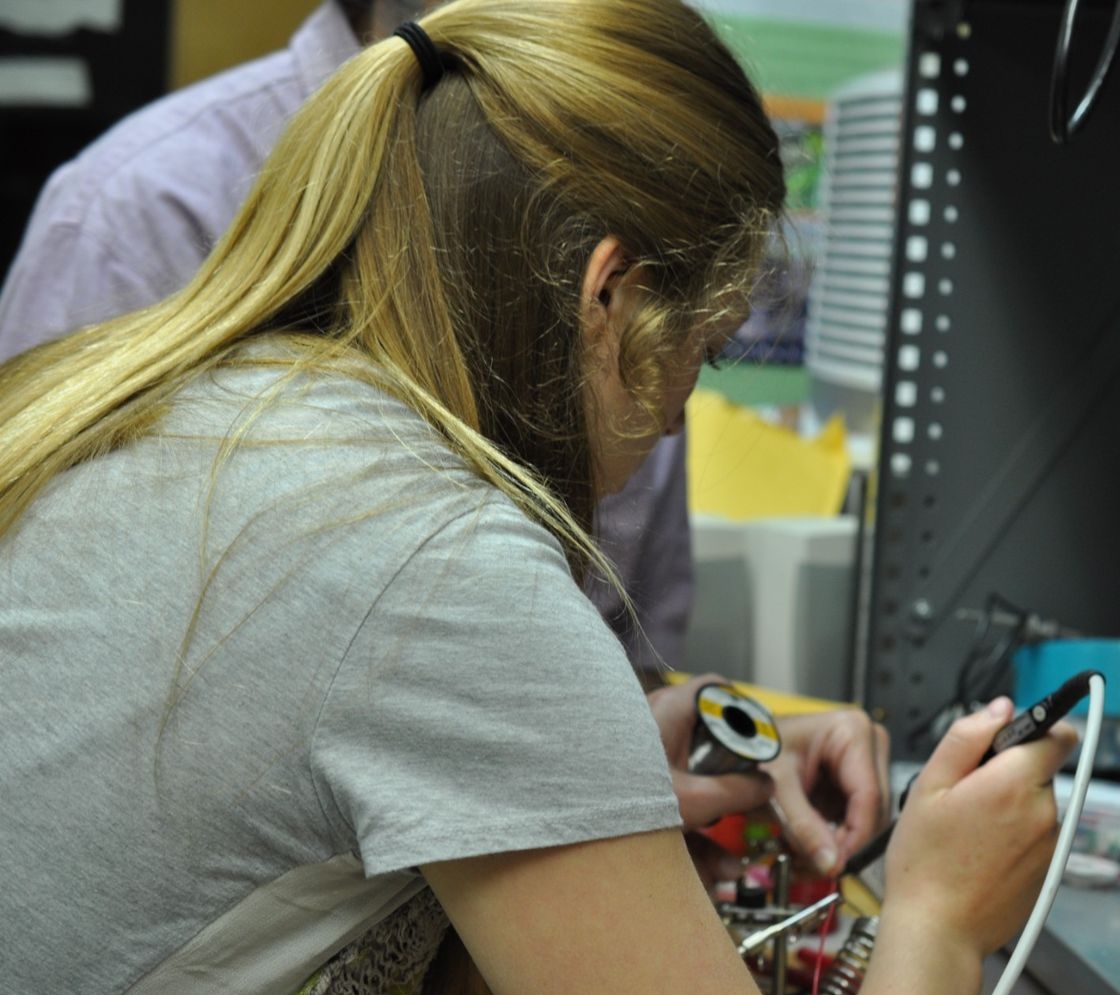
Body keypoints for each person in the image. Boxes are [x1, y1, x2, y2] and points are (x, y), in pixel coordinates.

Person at [0, 2, 1073, 993]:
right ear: (607, 297)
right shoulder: (435, 561)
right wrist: (940, 914)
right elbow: (426, 644)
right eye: (700, 354)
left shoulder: (212, 399)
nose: (671, 421)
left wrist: (589, 754)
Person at [0, 0, 689, 680]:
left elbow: (629, 647)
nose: (671, 421)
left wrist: (644, 735)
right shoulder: (142, 208)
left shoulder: (628, 222)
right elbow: (50, 646)